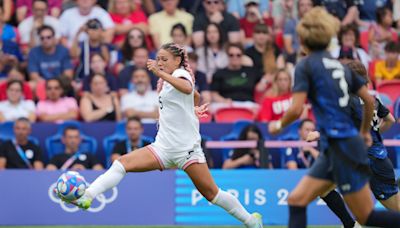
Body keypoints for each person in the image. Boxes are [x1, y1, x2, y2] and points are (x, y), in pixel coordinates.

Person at [56, 43, 263, 228]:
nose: (160, 63)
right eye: (158, 59)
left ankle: (250, 220)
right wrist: (194, 106)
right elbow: (194, 94)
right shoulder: (169, 81)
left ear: (178, 60)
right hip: (162, 148)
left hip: (186, 151)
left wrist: (161, 74)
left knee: (212, 194)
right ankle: (88, 197)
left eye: (164, 59)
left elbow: (187, 86)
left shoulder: (180, 74)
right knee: (122, 163)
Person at [268, 7, 400, 228]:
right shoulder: (339, 66)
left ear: (304, 38)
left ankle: (349, 224)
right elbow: (368, 101)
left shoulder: (305, 67)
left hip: (342, 149)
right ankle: (350, 225)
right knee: (365, 215)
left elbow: (295, 109)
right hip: (345, 147)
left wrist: (278, 124)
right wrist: (365, 132)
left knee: (297, 200)